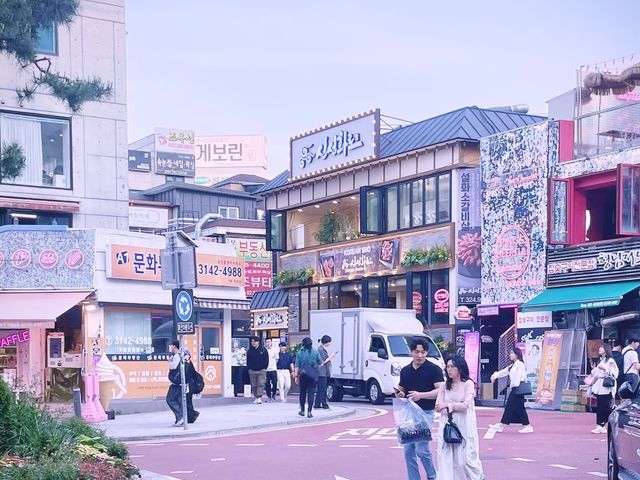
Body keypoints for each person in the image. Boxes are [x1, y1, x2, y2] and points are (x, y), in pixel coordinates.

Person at [395, 337, 445, 480]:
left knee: (421, 450)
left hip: (426, 413)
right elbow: (401, 389)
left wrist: (420, 395)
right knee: (408, 451)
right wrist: (399, 394)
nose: (420, 355)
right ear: (411, 352)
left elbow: (441, 391)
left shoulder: (433, 369)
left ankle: (433, 476)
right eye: (417, 352)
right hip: (408, 415)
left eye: (423, 352)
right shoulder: (405, 371)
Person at [435, 355, 484, 480]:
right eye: (447, 367)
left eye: (452, 366)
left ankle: (477, 477)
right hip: (446, 423)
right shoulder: (444, 386)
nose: (449, 369)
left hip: (464, 423)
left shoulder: (468, 384)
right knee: (445, 457)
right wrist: (453, 406)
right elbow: (438, 406)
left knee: (464, 459)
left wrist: (448, 405)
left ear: (460, 368)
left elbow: (465, 405)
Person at [489, 347, 533, 433]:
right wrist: (495, 376)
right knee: (517, 408)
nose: (510, 355)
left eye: (512, 353)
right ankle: (526, 425)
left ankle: (502, 425)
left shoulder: (520, 364)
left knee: (511, 407)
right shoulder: (512, 365)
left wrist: (515, 386)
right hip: (515, 389)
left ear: (517, 354)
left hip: (518, 389)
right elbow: (504, 372)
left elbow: (521, 377)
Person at [589, 344, 619, 434]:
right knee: (600, 407)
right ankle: (600, 425)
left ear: (606, 350)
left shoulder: (610, 361)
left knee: (606, 407)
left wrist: (605, 370)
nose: (599, 349)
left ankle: (602, 425)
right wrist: (594, 369)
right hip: (600, 386)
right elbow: (597, 374)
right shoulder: (601, 360)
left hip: (607, 387)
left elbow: (615, 374)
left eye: (601, 348)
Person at [294, 337, 322, 418]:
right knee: (311, 393)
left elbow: (297, 366)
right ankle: (309, 411)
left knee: (302, 393)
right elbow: (320, 363)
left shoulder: (300, 353)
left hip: (303, 375)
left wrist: (296, 376)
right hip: (312, 375)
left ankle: (302, 410)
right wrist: (315, 368)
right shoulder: (315, 352)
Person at [314, 335, 336, 410]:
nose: (329, 344)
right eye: (329, 343)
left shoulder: (322, 349)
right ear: (325, 342)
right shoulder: (320, 350)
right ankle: (324, 404)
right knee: (322, 389)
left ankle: (317, 404)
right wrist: (331, 356)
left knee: (320, 389)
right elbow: (322, 362)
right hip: (321, 372)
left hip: (322, 372)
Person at [246, 336, 269, 404]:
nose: (253, 343)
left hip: (261, 370)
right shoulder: (249, 351)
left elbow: (266, 360)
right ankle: (255, 397)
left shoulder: (263, 350)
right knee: (254, 385)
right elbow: (248, 361)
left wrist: (265, 368)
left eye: (255, 341)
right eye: (252, 342)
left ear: (258, 342)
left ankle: (259, 397)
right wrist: (249, 368)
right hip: (252, 370)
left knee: (261, 384)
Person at [166, 340, 184, 426]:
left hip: (176, 383)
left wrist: (169, 362)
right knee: (179, 401)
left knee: (169, 399)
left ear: (174, 346)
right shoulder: (182, 355)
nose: (171, 347)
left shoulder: (177, 356)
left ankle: (180, 417)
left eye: (171, 346)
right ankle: (180, 419)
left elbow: (173, 367)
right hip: (181, 382)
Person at [183, 350, 200, 424]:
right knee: (187, 401)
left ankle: (192, 415)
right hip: (187, 384)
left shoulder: (189, 363)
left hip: (188, 385)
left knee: (188, 400)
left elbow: (190, 373)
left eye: (185, 355)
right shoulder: (186, 363)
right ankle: (191, 415)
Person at [264, 338, 279, 402]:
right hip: (266, 370)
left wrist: (273, 365)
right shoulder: (264, 350)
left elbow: (277, 359)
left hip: (273, 369)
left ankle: (274, 395)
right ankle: (269, 396)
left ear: (271, 342)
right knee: (267, 384)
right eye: (267, 342)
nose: (268, 343)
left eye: (269, 342)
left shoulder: (275, 350)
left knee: (275, 383)